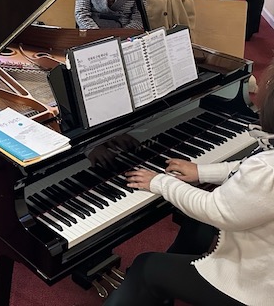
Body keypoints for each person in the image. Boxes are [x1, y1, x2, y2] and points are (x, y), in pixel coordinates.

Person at [104, 58, 274, 306]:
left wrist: (160, 182)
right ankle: (169, 283)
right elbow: (245, 167)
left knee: (146, 266)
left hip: (256, 285)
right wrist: (201, 172)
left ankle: (155, 289)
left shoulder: (267, 169)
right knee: (197, 225)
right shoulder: (267, 163)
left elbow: (215, 209)